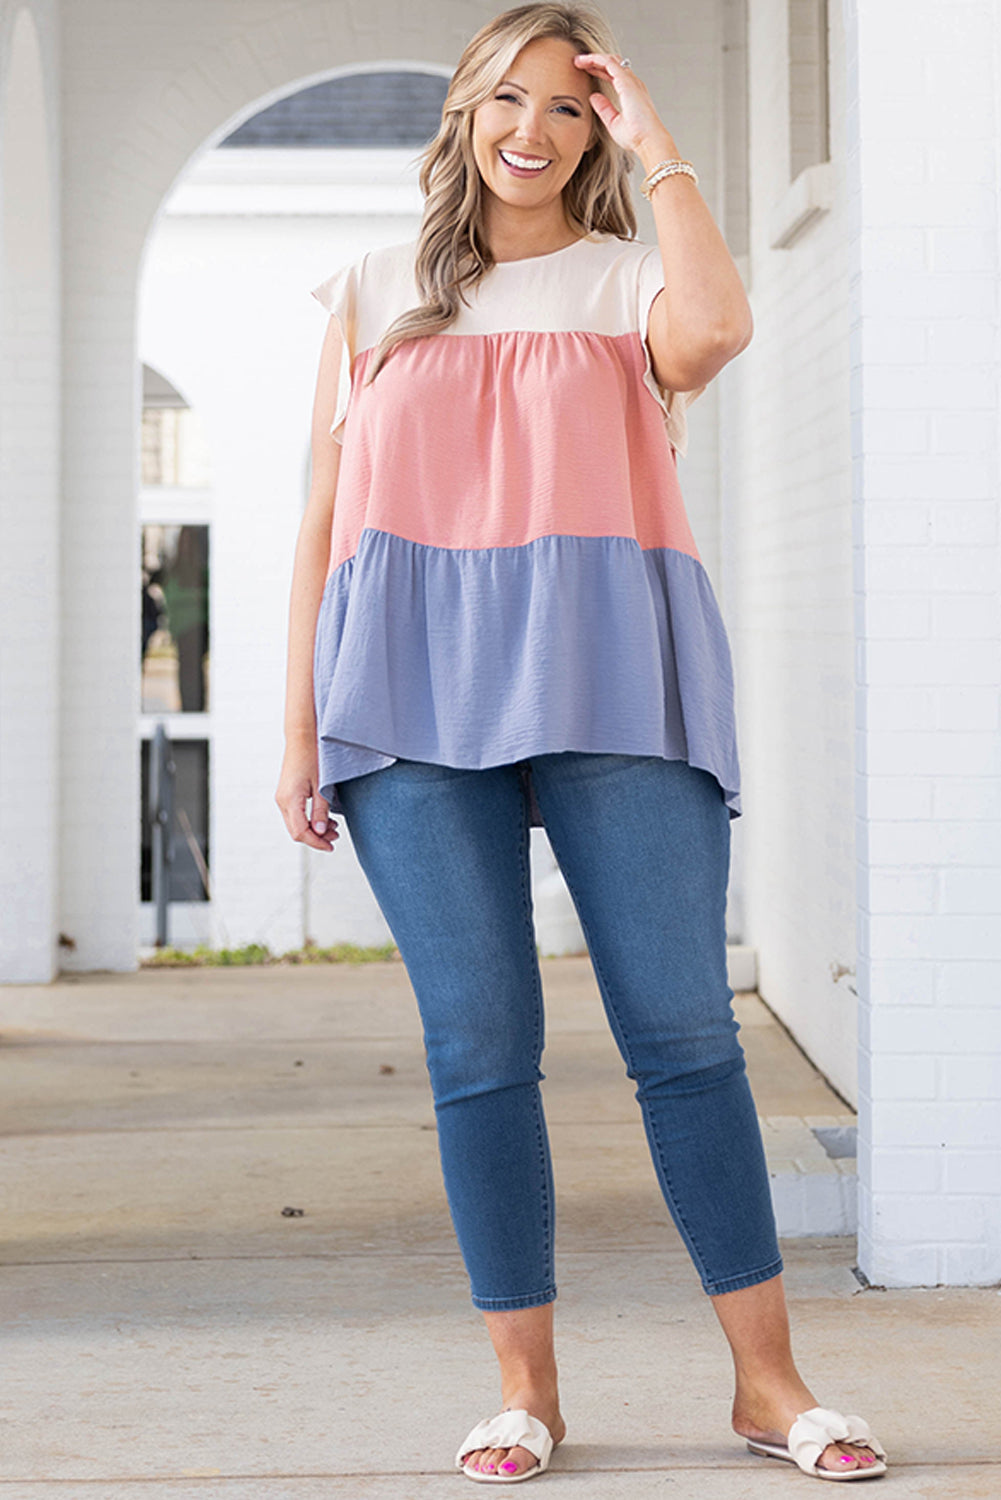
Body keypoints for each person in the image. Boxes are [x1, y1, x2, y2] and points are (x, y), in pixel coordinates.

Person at [276, 3, 887, 1485]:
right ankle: (525, 1394)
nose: (532, 132)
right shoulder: (370, 289)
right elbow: (321, 519)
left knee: (683, 1040)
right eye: (508, 100)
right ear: (463, 114)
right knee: (479, 1049)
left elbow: (722, 330)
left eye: (566, 107)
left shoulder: (631, 284)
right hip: (411, 700)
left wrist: (660, 147)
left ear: (593, 126)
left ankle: (767, 1386)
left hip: (616, 676)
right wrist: (297, 731)